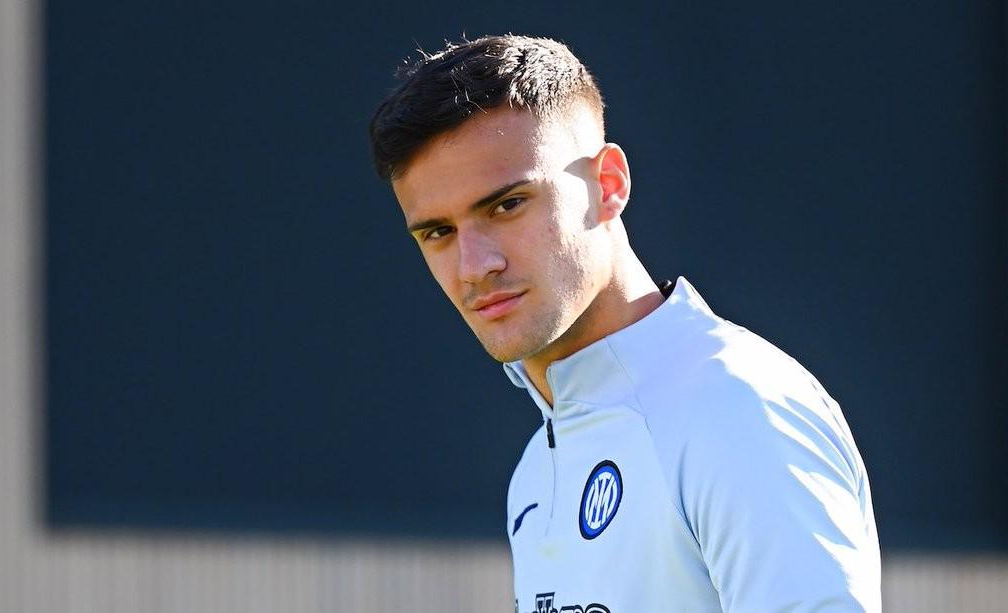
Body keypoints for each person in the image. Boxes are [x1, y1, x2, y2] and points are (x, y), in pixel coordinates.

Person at [368, 34, 880, 612]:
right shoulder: (537, 469)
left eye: (507, 205)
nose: (474, 265)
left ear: (607, 185)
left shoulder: (736, 406)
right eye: (438, 232)